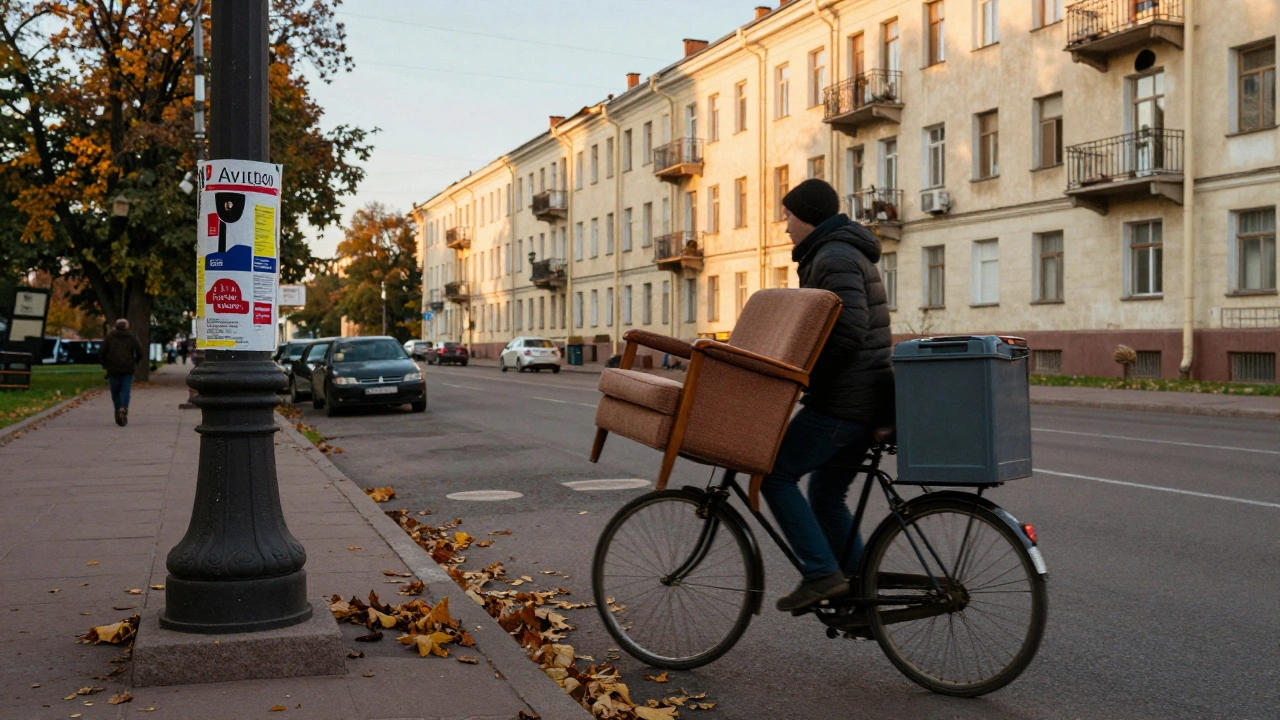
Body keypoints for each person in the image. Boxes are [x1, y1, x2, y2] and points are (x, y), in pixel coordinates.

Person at [763, 178, 895, 612]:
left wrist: (804, 372)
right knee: (824, 492)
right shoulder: (836, 251)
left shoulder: (834, 254)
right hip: (864, 395)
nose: (785, 227)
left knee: (775, 475)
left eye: (788, 217)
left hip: (846, 400)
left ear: (807, 217)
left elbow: (849, 330)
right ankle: (860, 591)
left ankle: (822, 574)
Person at [99, 318, 144, 427]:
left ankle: (117, 409)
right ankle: (123, 409)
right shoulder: (132, 337)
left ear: (116, 326)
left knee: (115, 392)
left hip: (113, 368)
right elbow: (140, 352)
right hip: (128, 368)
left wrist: (105, 364)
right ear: (126, 326)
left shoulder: (109, 337)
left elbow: (101, 352)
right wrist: (135, 361)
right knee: (125, 391)